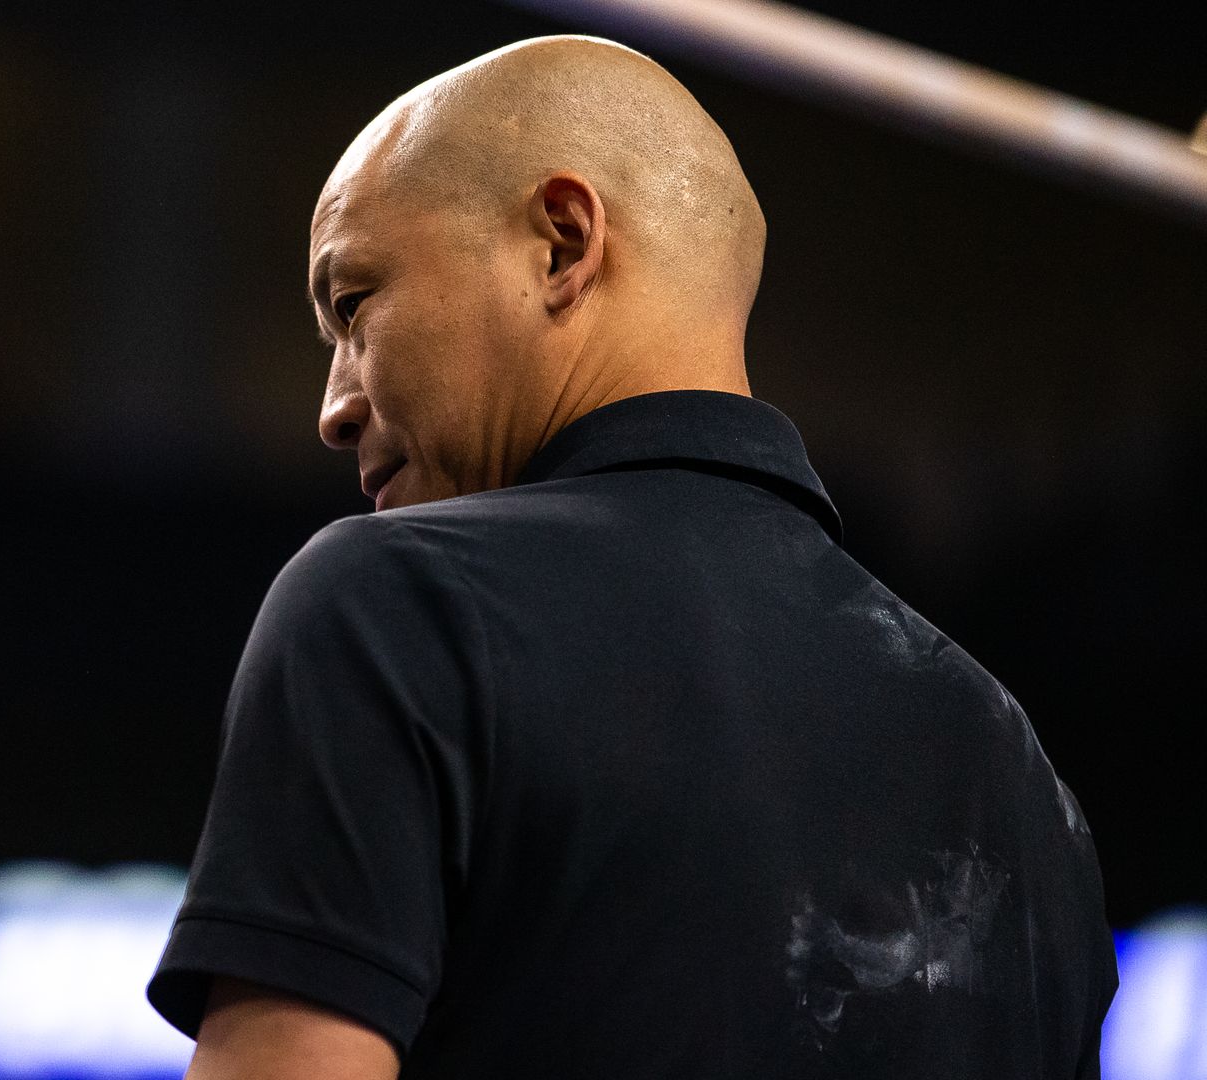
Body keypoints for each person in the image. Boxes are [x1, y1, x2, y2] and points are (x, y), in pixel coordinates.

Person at [146, 34, 1115, 1080]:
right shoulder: (1023, 781)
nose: (334, 408)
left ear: (562, 243)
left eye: (352, 306)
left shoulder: (395, 608)